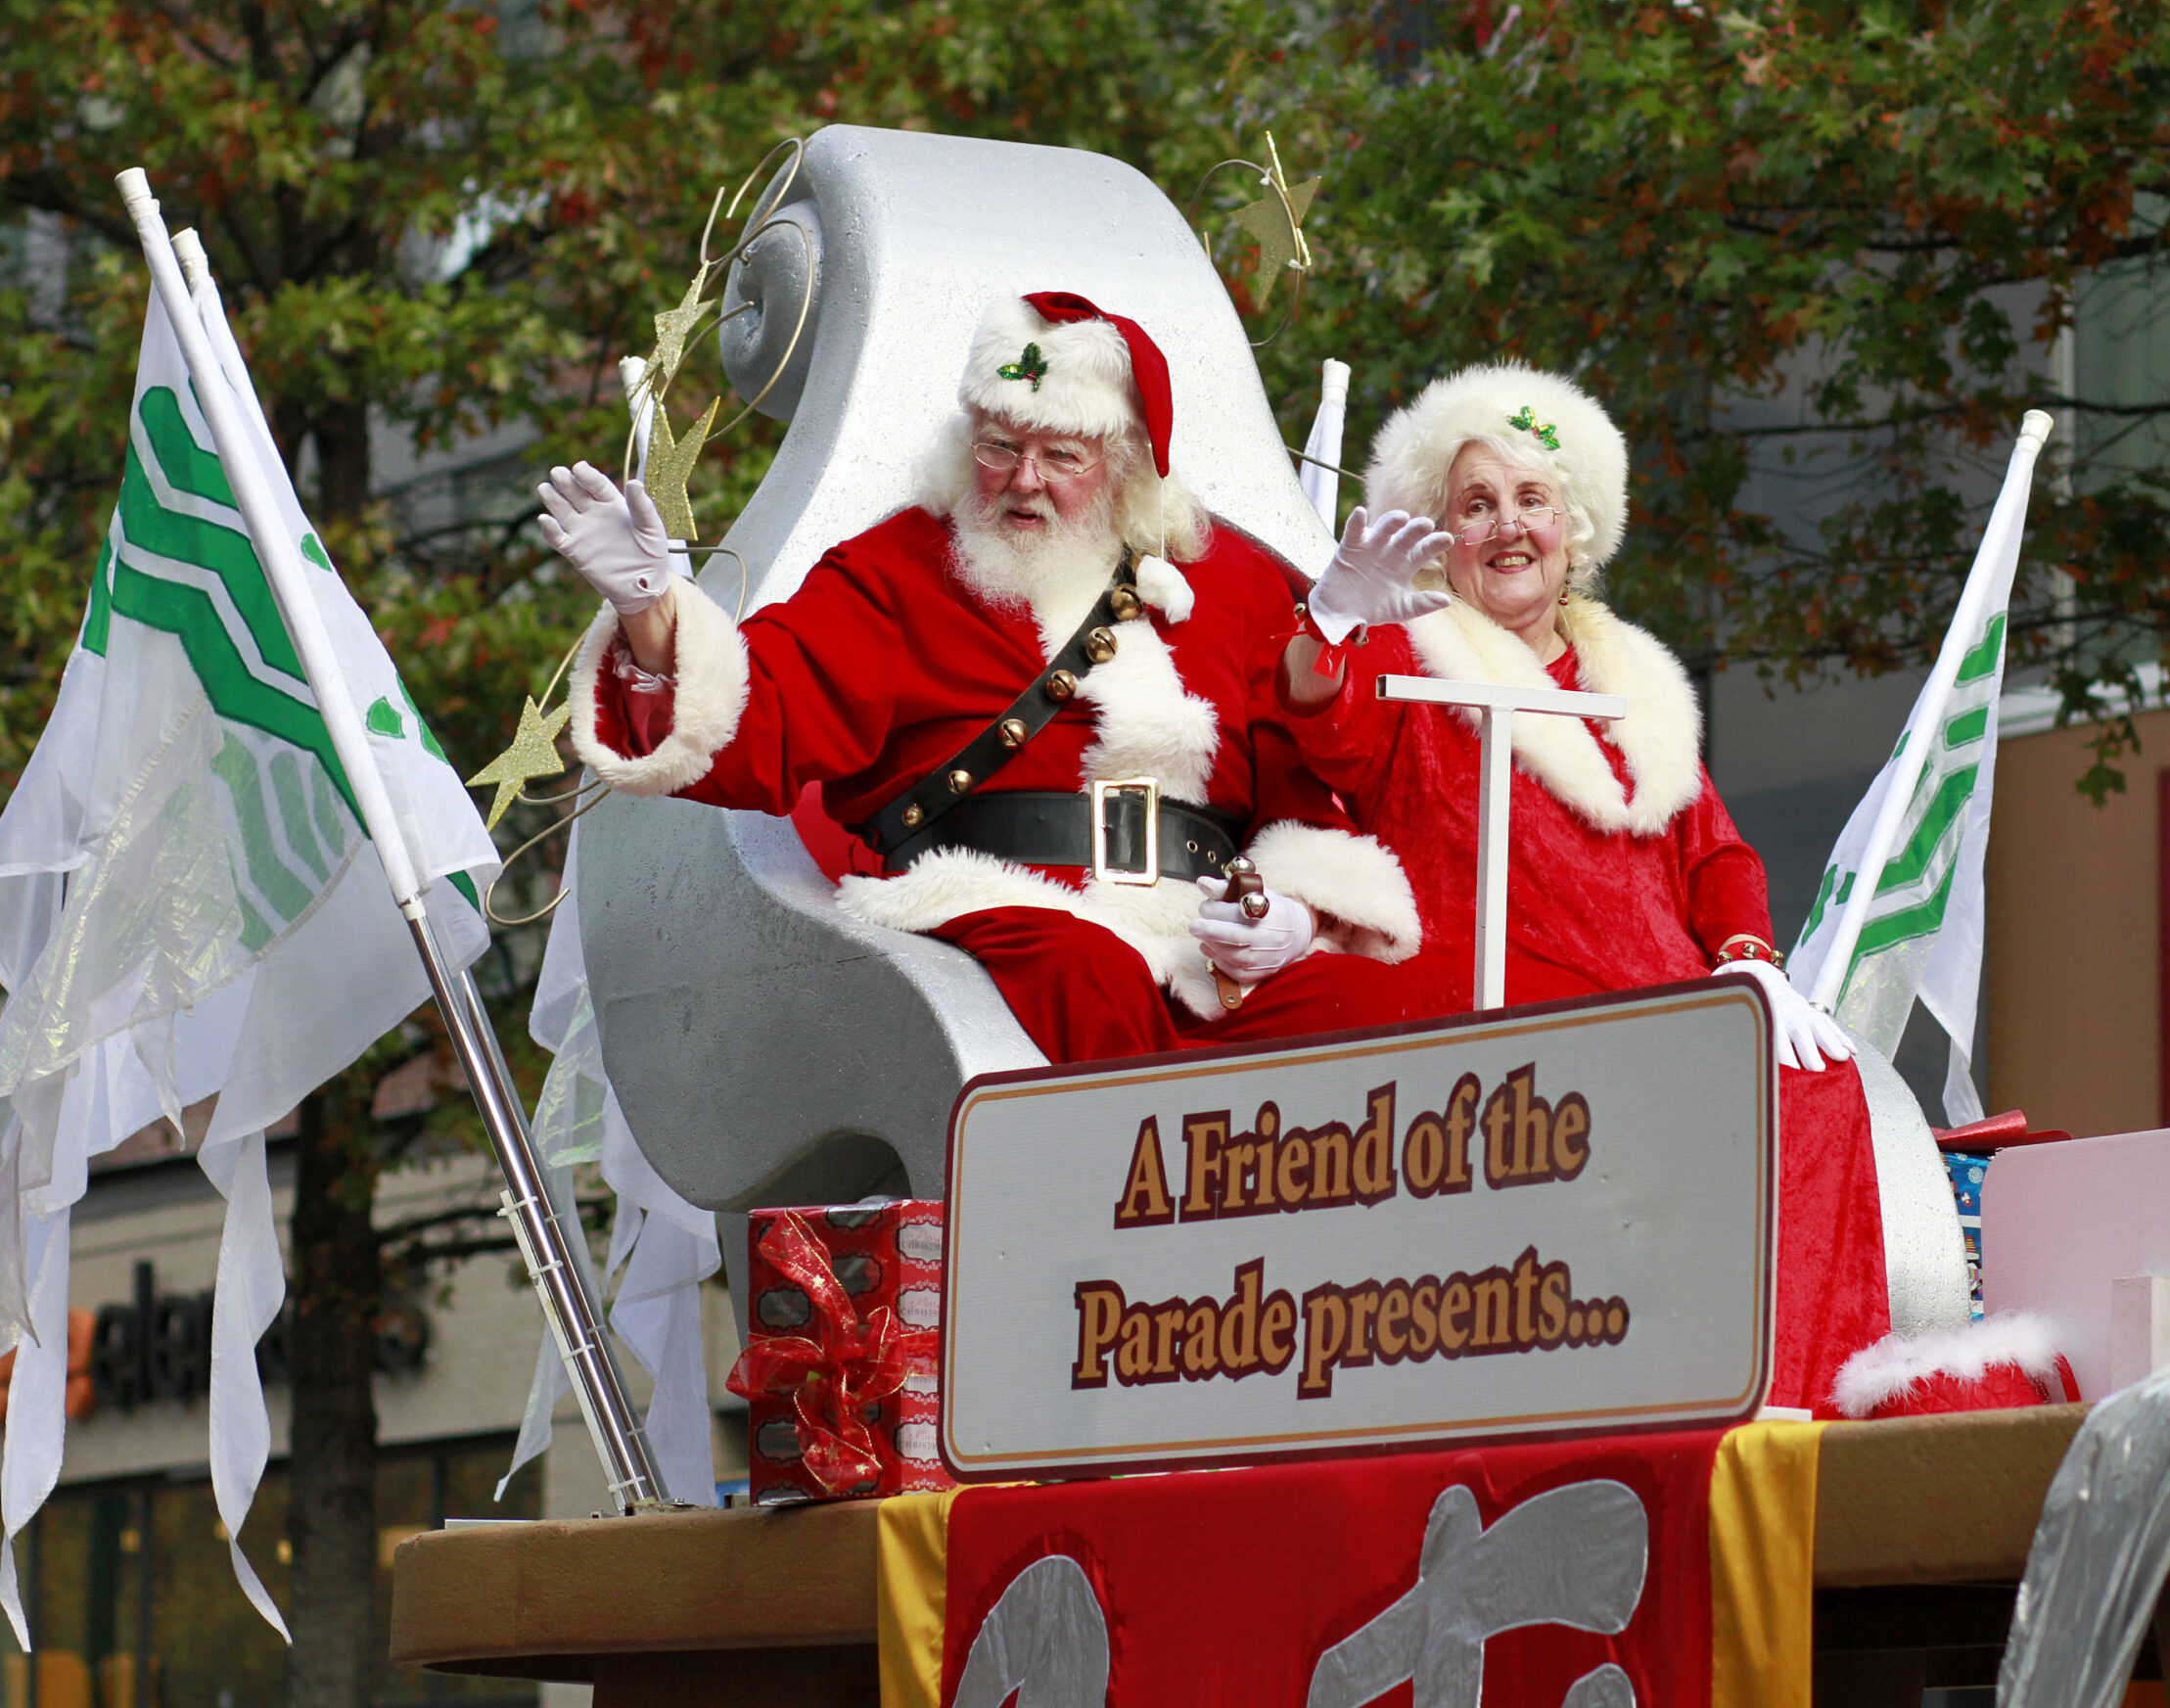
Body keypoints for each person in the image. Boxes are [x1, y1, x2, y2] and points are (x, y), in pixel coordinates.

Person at [539, 291, 1423, 1065]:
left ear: (1123, 468)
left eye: (1063, 458)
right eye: (1000, 446)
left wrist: (1297, 916)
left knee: (1380, 1016)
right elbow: (759, 713)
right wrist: (651, 610)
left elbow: (1310, 792)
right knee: (1090, 977)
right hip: (998, 906)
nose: (1023, 482)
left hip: (1201, 940)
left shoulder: (1230, 580)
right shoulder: (900, 568)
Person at [1275, 362, 1889, 1413]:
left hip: (1670, 995)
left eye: (1530, 500)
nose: (1506, 527)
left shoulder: (1634, 683)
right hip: (1505, 1009)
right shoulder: (1406, 656)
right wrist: (1330, 620)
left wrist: (1750, 961)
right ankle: (1697, 1394)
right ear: (1440, 533)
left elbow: (1719, 858)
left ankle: (1806, 1401)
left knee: (1818, 1082)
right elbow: (1318, 726)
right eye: (1474, 505)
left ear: (1575, 526)